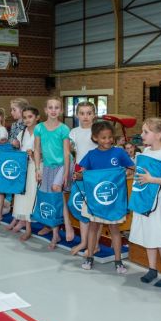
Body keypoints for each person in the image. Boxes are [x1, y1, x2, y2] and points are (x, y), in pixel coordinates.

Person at [77, 120, 134, 273]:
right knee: (93, 228)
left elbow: (132, 168)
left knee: (115, 229)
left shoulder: (119, 153)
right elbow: (83, 173)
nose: (108, 140)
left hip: (113, 200)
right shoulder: (91, 155)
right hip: (95, 200)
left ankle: (118, 261)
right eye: (103, 138)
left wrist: (127, 173)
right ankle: (89, 257)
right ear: (95, 138)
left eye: (110, 137)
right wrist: (77, 176)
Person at [129, 118, 161, 287]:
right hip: (143, 200)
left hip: (157, 202)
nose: (142, 135)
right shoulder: (145, 151)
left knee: (160, 237)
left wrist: (152, 179)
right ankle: (152, 269)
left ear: (158, 135)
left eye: (146, 132)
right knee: (148, 235)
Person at [33, 97, 71, 249]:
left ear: (61, 110)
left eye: (56, 108)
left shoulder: (63, 129)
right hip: (48, 167)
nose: (53, 110)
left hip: (62, 165)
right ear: (46, 110)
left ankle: (59, 231)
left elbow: (67, 153)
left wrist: (66, 173)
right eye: (51, 107)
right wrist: (37, 169)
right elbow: (37, 149)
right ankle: (54, 229)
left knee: (56, 193)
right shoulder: (39, 128)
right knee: (50, 199)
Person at [68, 101, 98, 255]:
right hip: (79, 173)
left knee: (94, 210)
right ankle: (84, 241)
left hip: (94, 173)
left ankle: (94, 244)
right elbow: (71, 153)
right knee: (79, 206)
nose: (85, 116)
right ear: (77, 114)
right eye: (82, 113)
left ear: (94, 115)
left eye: (89, 113)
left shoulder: (98, 131)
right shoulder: (73, 132)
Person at [6, 106, 39, 241]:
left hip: (35, 167)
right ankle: (25, 226)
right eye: (24, 117)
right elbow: (19, 148)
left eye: (30, 117)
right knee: (22, 198)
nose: (27, 120)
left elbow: (45, 152)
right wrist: (15, 144)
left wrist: (36, 154)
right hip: (24, 168)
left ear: (37, 117)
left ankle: (30, 227)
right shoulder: (23, 132)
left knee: (31, 198)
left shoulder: (41, 132)